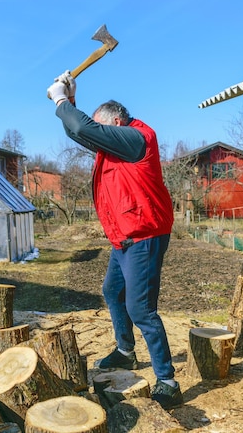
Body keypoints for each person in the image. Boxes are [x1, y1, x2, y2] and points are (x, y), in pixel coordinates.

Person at [46, 71, 183, 410]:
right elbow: (81, 132)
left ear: (117, 122)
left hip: (144, 234)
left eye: (104, 128)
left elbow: (84, 129)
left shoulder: (137, 139)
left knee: (141, 309)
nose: (101, 136)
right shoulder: (116, 143)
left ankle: (168, 381)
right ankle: (125, 352)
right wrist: (71, 101)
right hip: (124, 235)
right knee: (112, 291)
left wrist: (61, 100)